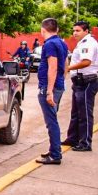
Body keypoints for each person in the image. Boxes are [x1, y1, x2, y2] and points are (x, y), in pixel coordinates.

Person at [36, 18, 69, 165]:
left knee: (51, 122)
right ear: (57, 29)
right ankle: (53, 149)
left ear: (43, 30)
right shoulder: (62, 42)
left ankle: (55, 155)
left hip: (49, 87)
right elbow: (66, 64)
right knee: (52, 119)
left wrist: (49, 91)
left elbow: (53, 67)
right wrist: (62, 81)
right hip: (59, 85)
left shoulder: (49, 44)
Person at [63, 21, 98, 151]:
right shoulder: (82, 43)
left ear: (86, 31)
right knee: (76, 113)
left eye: (78, 30)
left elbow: (86, 62)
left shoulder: (88, 43)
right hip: (79, 81)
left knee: (84, 114)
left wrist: (67, 68)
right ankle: (73, 138)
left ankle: (85, 143)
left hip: (87, 81)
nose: (74, 33)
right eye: (74, 30)